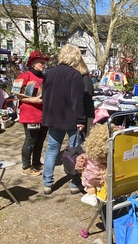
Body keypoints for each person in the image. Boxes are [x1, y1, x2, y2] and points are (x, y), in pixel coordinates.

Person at [41, 44, 87, 195]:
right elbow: (77, 100)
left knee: (52, 150)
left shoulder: (49, 73)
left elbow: (45, 97)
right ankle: (75, 184)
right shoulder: (75, 75)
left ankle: (47, 183)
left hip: (53, 117)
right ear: (76, 57)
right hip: (71, 119)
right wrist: (81, 119)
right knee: (75, 151)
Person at [18, 50, 50, 176]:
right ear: (32, 63)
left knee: (40, 140)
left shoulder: (44, 77)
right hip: (30, 115)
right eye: (40, 62)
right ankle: (26, 167)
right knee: (31, 140)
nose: (43, 64)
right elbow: (17, 95)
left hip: (44, 115)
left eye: (44, 62)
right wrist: (34, 100)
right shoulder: (25, 76)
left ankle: (36, 163)